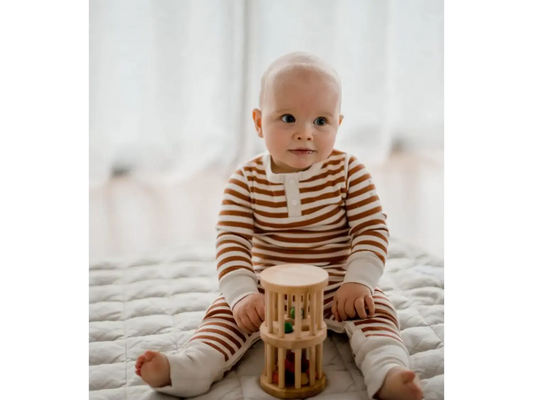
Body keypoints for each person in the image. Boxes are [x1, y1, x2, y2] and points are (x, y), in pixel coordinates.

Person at [135, 52, 423, 400]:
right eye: (288, 118)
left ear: (338, 125)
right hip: (268, 289)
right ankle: (189, 367)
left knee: (377, 313)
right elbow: (232, 240)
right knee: (224, 315)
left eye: (320, 121)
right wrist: (243, 296)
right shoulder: (246, 180)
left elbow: (371, 229)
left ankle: (389, 373)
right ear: (258, 122)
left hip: (337, 283)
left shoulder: (349, 172)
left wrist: (359, 282)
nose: (305, 133)